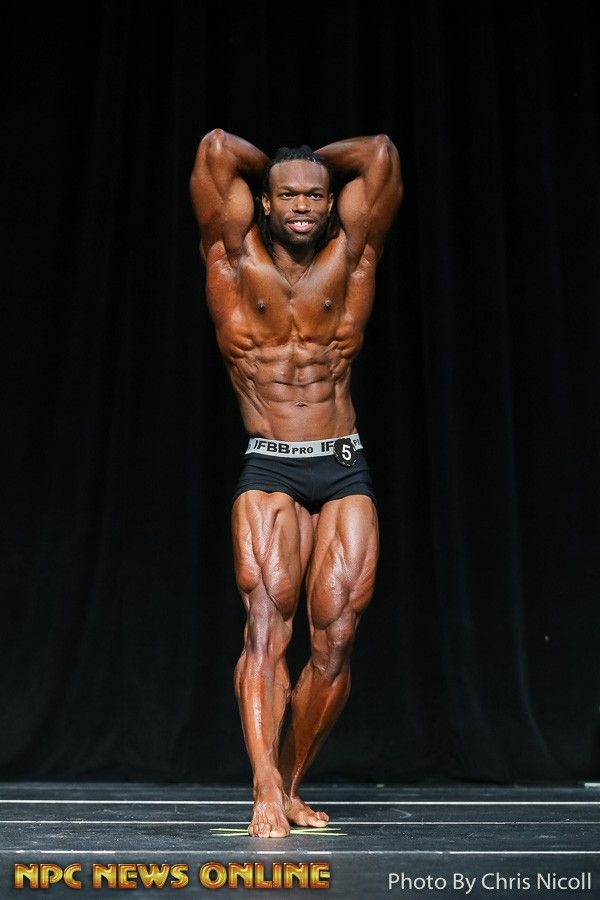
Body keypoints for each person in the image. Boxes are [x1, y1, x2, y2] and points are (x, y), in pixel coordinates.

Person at [190, 129, 402, 837]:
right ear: (264, 202)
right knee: (265, 627)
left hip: (343, 463)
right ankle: (263, 786)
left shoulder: (353, 256)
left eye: (315, 196)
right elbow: (217, 148)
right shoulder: (233, 257)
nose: (304, 207)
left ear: (333, 203)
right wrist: (279, 166)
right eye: (288, 196)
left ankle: (291, 781)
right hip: (271, 463)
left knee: (335, 640)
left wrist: (307, 167)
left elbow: (380, 154)